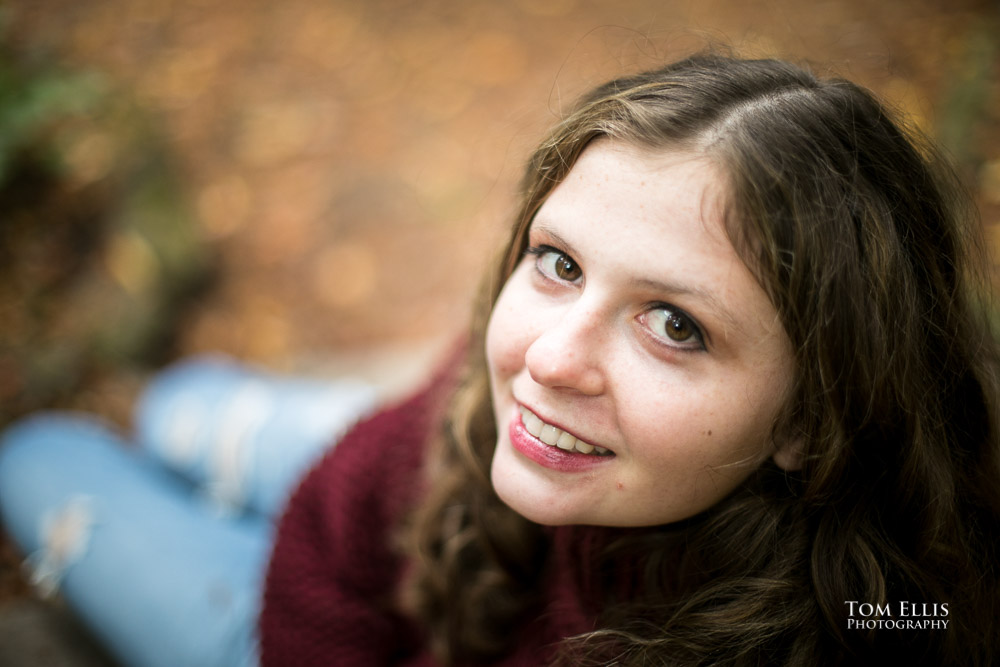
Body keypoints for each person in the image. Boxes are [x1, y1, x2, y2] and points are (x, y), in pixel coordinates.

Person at [1, 52, 999, 666]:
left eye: (675, 325)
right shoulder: (484, 404)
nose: (546, 358)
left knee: (36, 457)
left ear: (807, 422)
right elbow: (338, 513)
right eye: (558, 262)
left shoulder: (885, 618)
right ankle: (216, 436)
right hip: (379, 536)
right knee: (181, 402)